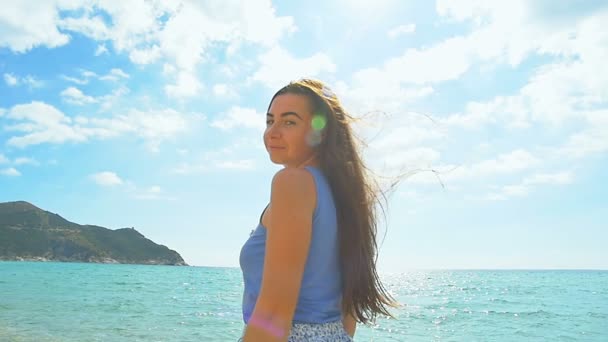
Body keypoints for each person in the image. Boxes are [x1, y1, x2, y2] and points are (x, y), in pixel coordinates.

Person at [239, 79, 398, 341]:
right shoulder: (345, 194)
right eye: (270, 121)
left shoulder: (292, 182)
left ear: (320, 132)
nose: (272, 132)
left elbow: (273, 313)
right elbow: (348, 312)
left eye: (289, 122)